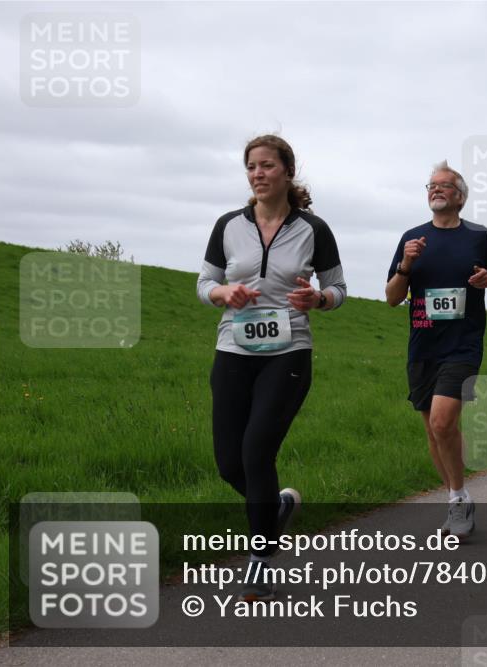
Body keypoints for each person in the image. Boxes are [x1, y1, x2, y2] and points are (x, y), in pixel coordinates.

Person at [197, 134, 347, 600]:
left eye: (266, 166)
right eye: (251, 167)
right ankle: (276, 507)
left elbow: (339, 289)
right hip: (233, 351)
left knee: (257, 452)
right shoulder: (228, 225)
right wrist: (224, 293)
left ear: (287, 171)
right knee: (229, 463)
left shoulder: (313, 229)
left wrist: (318, 298)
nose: (258, 174)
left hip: (289, 353)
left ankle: (260, 559)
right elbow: (205, 283)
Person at [385, 161, 487, 538]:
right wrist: (406, 264)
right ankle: (459, 497)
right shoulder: (412, 238)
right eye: (431, 185)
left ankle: (456, 500)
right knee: (434, 429)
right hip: (423, 345)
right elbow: (391, 297)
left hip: (464, 345)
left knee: (442, 420)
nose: (435, 190)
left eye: (444, 186)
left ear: (460, 197)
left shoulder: (478, 237)